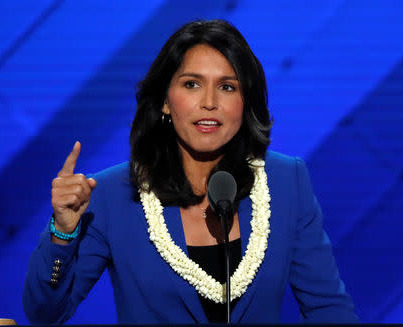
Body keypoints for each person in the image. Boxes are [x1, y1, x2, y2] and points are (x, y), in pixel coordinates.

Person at [23, 19, 359, 324]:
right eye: (192, 84)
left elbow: (329, 310)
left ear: (245, 102)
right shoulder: (113, 195)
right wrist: (63, 232)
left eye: (227, 86)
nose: (209, 102)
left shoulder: (286, 182)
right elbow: (45, 312)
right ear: (166, 101)